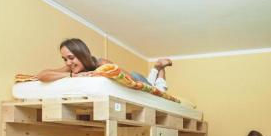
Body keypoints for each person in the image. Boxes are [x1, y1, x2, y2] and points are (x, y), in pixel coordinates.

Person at [37, 38, 172, 92]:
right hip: (135, 76)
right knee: (155, 86)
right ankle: (158, 67)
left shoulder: (101, 63)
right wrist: (71, 75)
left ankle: (158, 68)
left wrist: (97, 73)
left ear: (82, 54)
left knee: (159, 90)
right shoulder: (72, 68)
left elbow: (129, 79)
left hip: (136, 77)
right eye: (64, 59)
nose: (68, 62)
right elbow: (42, 75)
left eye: (71, 57)